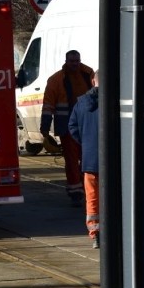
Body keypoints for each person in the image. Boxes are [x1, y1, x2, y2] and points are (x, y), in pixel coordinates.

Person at [40, 49, 94, 206]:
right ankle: (76, 192)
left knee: (87, 159)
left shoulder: (88, 73)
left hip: (87, 124)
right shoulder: (56, 80)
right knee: (71, 159)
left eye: (77, 61)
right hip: (68, 126)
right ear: (66, 61)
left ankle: (87, 188)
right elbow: (48, 104)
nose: (75, 64)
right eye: (72, 62)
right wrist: (45, 127)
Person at [68, 69, 100, 248]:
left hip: (90, 160)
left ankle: (95, 234)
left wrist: (86, 143)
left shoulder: (81, 103)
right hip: (112, 162)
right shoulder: (114, 101)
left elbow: (72, 127)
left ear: (93, 81)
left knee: (93, 198)